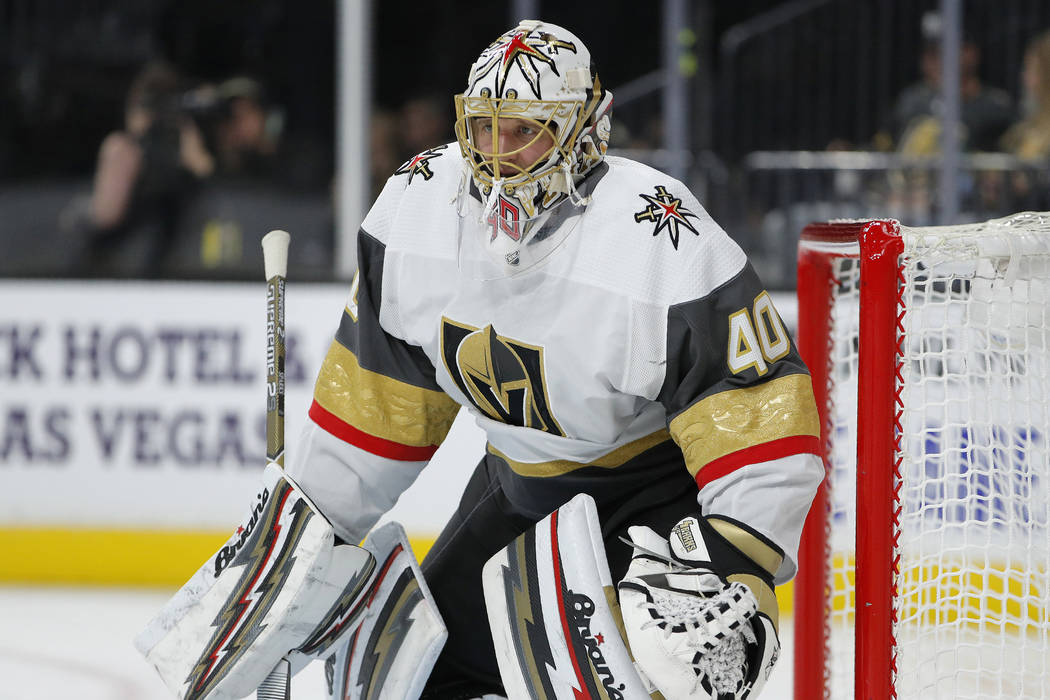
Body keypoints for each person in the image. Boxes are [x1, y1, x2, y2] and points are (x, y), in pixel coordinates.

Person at [289, 20, 823, 698]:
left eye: (525, 131)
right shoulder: (419, 205)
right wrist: (304, 539)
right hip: (520, 492)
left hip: (656, 503)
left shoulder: (658, 234)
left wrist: (733, 556)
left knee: (668, 665)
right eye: (485, 128)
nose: (498, 155)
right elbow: (376, 406)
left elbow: (760, 417)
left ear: (582, 132)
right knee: (412, 681)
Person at [75, 61, 214, 277]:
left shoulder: (185, 151)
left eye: (163, 107)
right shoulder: (122, 150)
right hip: (116, 272)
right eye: (146, 105)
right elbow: (106, 216)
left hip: (177, 271)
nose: (155, 120)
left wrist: (193, 158)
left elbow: (215, 202)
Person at [883, 11, 1014, 155]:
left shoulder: (996, 108)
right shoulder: (910, 103)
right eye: (930, 53)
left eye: (942, 53)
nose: (934, 61)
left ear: (971, 53)